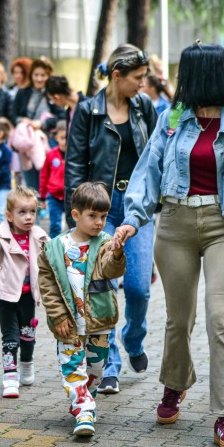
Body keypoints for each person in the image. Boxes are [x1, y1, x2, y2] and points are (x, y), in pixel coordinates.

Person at [114, 42, 224, 447]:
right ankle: (175, 385)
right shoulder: (171, 120)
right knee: (178, 320)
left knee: (221, 317)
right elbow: (147, 170)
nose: (179, 80)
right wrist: (132, 221)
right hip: (174, 225)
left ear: (203, 75)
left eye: (185, 72)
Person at [65, 44, 157, 395]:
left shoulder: (144, 107)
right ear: (117, 75)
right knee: (104, 289)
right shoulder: (88, 111)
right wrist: (75, 215)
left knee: (137, 287)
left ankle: (134, 338)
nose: (143, 84)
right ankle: (112, 365)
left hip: (137, 208)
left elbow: (154, 157)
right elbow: (75, 162)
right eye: (138, 77)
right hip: (99, 208)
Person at [38, 182, 126, 437]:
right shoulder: (55, 247)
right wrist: (58, 315)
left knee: (96, 372)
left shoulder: (106, 243)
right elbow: (47, 284)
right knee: (72, 367)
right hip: (69, 324)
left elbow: (113, 270)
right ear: (75, 215)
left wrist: (118, 254)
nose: (99, 222)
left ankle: (84, 399)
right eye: (92, 216)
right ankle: (84, 409)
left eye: (103, 217)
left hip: (99, 321)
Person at [0, 187, 49, 398]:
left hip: (28, 296)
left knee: (27, 336)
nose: (28, 217)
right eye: (22, 212)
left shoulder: (39, 236)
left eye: (32, 212)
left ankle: (26, 364)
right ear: (9, 215)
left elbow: (51, 259)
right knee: (10, 337)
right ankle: (9, 377)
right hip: (6, 294)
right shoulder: (1, 234)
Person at [11, 58, 65, 192]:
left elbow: (62, 116)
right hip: (27, 142)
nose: (39, 79)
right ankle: (33, 206)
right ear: (31, 75)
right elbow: (13, 114)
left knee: (46, 176)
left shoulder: (53, 95)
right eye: (36, 75)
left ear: (48, 76)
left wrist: (42, 124)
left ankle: (45, 206)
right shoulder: (23, 92)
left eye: (43, 75)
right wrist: (22, 121)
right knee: (30, 180)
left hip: (47, 142)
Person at [39, 121, 67, 238]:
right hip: (54, 196)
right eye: (62, 138)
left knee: (74, 225)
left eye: (68, 137)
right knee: (55, 225)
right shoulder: (51, 155)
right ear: (56, 137)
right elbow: (44, 175)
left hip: (71, 196)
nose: (65, 141)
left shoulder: (76, 155)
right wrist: (43, 197)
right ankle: (53, 251)